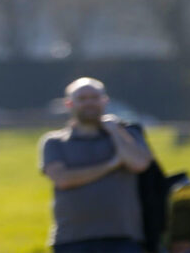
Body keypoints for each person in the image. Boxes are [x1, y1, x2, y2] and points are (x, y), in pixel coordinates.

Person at [39, 77, 153, 253]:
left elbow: (139, 164)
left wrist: (115, 131)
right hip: (72, 240)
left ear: (105, 101)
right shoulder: (55, 141)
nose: (89, 103)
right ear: (69, 104)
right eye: (82, 99)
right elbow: (63, 179)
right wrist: (112, 164)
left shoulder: (127, 134)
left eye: (94, 97)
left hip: (123, 239)